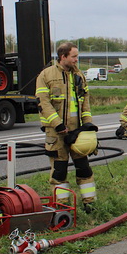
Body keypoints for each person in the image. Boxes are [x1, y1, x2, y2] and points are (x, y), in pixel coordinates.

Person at [35, 42, 98, 212]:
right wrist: (58, 124)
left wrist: (88, 124)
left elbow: (85, 103)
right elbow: (43, 102)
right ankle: (62, 208)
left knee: (84, 168)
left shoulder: (79, 76)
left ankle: (89, 204)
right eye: (74, 56)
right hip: (56, 133)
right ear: (63, 57)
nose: (77, 60)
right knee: (59, 171)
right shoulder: (46, 75)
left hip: (77, 131)